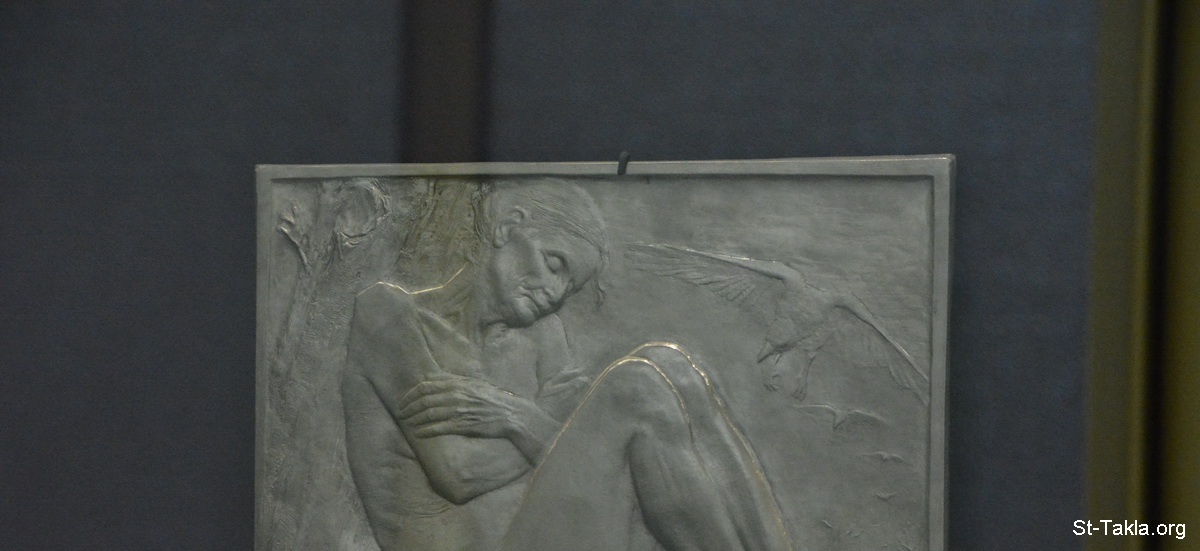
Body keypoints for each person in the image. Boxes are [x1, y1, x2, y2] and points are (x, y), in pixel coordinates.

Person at [343, 179, 792, 551]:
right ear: (508, 227)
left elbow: (576, 457)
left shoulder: (542, 334)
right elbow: (458, 472)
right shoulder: (388, 314)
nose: (555, 293)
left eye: (569, 285)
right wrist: (542, 419)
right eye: (553, 264)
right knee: (634, 387)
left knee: (670, 364)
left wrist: (518, 416)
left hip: (545, 534)